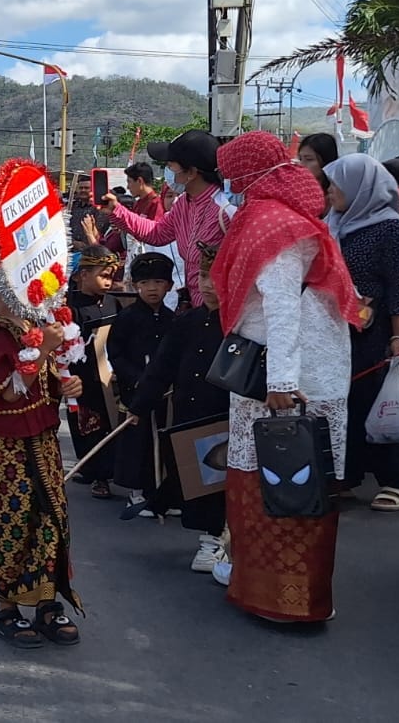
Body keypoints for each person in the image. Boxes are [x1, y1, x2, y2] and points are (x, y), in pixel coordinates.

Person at [213, 131, 360, 625]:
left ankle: (283, 600)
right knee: (284, 481)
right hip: (294, 371)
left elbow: (281, 309)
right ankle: (280, 593)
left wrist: (279, 382)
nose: (230, 184)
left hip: (284, 378)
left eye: (234, 174)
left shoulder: (273, 225)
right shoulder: (281, 219)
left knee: (286, 483)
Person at [0, 284, 85, 647]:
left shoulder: (32, 326)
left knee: (52, 518)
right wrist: (46, 349)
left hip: (43, 437)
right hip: (7, 444)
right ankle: (6, 608)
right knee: (16, 521)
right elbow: (8, 391)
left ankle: (46, 602)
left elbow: (45, 380)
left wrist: (68, 385)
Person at [126, 242, 230, 573]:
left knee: (223, 483)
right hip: (190, 414)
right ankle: (210, 536)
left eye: (219, 276)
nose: (209, 285)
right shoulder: (187, 322)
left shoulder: (243, 322)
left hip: (227, 418)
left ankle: (217, 540)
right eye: (203, 276)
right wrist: (140, 406)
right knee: (198, 480)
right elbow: (162, 368)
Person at [324, 154, 399, 511]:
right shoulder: (334, 223)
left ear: (359, 187)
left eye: (337, 184)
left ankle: (394, 479)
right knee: (342, 400)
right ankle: (346, 475)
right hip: (336, 328)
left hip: (374, 330)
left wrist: (398, 337)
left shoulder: (390, 228)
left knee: (378, 401)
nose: (331, 190)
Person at [107, 130, 225, 306]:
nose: (168, 171)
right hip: (195, 306)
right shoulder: (184, 203)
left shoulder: (224, 211)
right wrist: (115, 209)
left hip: (219, 310)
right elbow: (158, 233)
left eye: (171, 166)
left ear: (191, 172)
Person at [108, 251, 176, 516]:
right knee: (136, 440)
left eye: (158, 283)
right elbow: (115, 353)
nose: (152, 288)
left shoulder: (172, 320)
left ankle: (158, 492)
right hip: (134, 389)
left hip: (164, 392)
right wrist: (135, 378)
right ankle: (135, 493)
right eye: (145, 283)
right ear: (135, 286)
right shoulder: (127, 318)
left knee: (160, 439)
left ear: (168, 286)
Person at [66, 246, 122, 499]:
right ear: (83, 275)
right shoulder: (70, 305)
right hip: (80, 376)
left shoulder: (113, 302)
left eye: (111, 276)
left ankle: (103, 475)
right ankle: (89, 469)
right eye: (103, 275)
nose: (108, 282)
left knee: (106, 425)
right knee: (84, 426)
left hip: (107, 376)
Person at [297, 133, 340, 198]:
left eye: (309, 159)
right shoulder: (296, 189)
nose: (301, 165)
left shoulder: (337, 195)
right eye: (300, 159)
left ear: (327, 160)